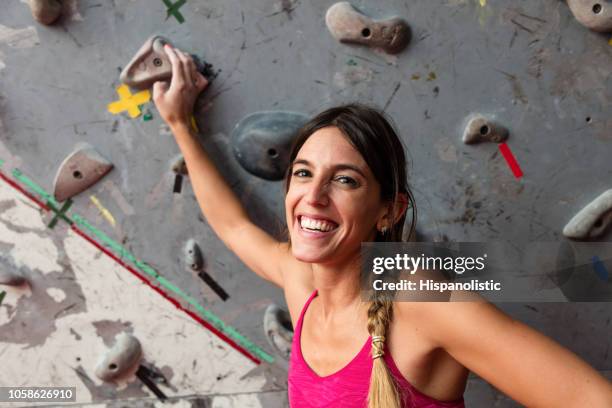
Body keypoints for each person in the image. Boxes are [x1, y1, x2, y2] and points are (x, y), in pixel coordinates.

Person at [152, 44, 612, 407]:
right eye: (304, 173)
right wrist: (178, 123)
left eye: (345, 180)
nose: (313, 196)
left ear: (389, 210)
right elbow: (233, 226)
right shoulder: (302, 279)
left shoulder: (422, 301)